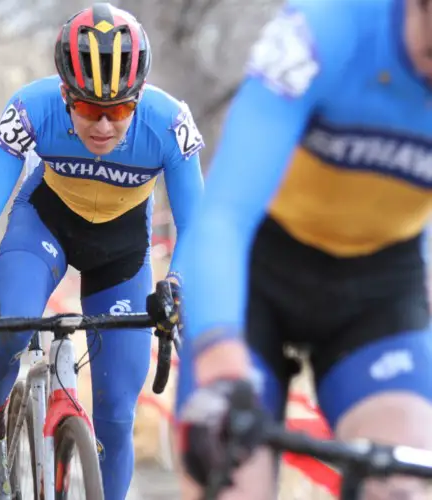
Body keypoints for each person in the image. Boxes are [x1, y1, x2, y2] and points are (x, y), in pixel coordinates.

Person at [175, 0, 432, 498]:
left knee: (407, 483)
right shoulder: (325, 31)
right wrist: (220, 361)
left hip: (377, 292)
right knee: (227, 471)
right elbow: (224, 214)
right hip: (257, 273)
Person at [0, 3, 203, 499]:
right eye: (89, 109)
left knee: (116, 414)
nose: (104, 126)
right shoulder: (31, 108)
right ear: (66, 95)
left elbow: (198, 225)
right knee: (9, 325)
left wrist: (175, 286)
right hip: (45, 224)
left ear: (140, 98)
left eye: (121, 109)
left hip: (121, 250)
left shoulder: (170, 124)